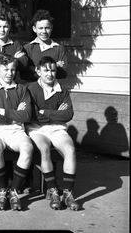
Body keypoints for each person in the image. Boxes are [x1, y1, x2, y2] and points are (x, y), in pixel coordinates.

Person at [26, 56, 80, 210]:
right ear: (38, 71)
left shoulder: (62, 89)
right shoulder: (30, 88)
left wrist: (45, 112)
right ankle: (54, 191)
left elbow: (68, 114)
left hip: (57, 128)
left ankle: (68, 194)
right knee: (44, 149)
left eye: (53, 70)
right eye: (46, 70)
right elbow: (32, 115)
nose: (50, 74)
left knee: (70, 149)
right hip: (36, 129)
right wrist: (55, 113)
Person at [0, 54, 33, 211]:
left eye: (12, 69)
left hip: (15, 130)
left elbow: (26, 115)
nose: (10, 73)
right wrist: (14, 115)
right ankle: (2, 192)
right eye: (5, 69)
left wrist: (3, 111)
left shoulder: (22, 89)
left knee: (27, 148)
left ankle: (14, 191)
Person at [23, 9, 67, 82]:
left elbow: (63, 73)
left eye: (47, 28)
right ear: (34, 29)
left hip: (52, 89)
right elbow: (25, 74)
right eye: (40, 28)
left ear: (51, 28)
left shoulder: (59, 49)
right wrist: (54, 66)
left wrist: (35, 69)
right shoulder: (27, 48)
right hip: (32, 90)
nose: (44, 31)